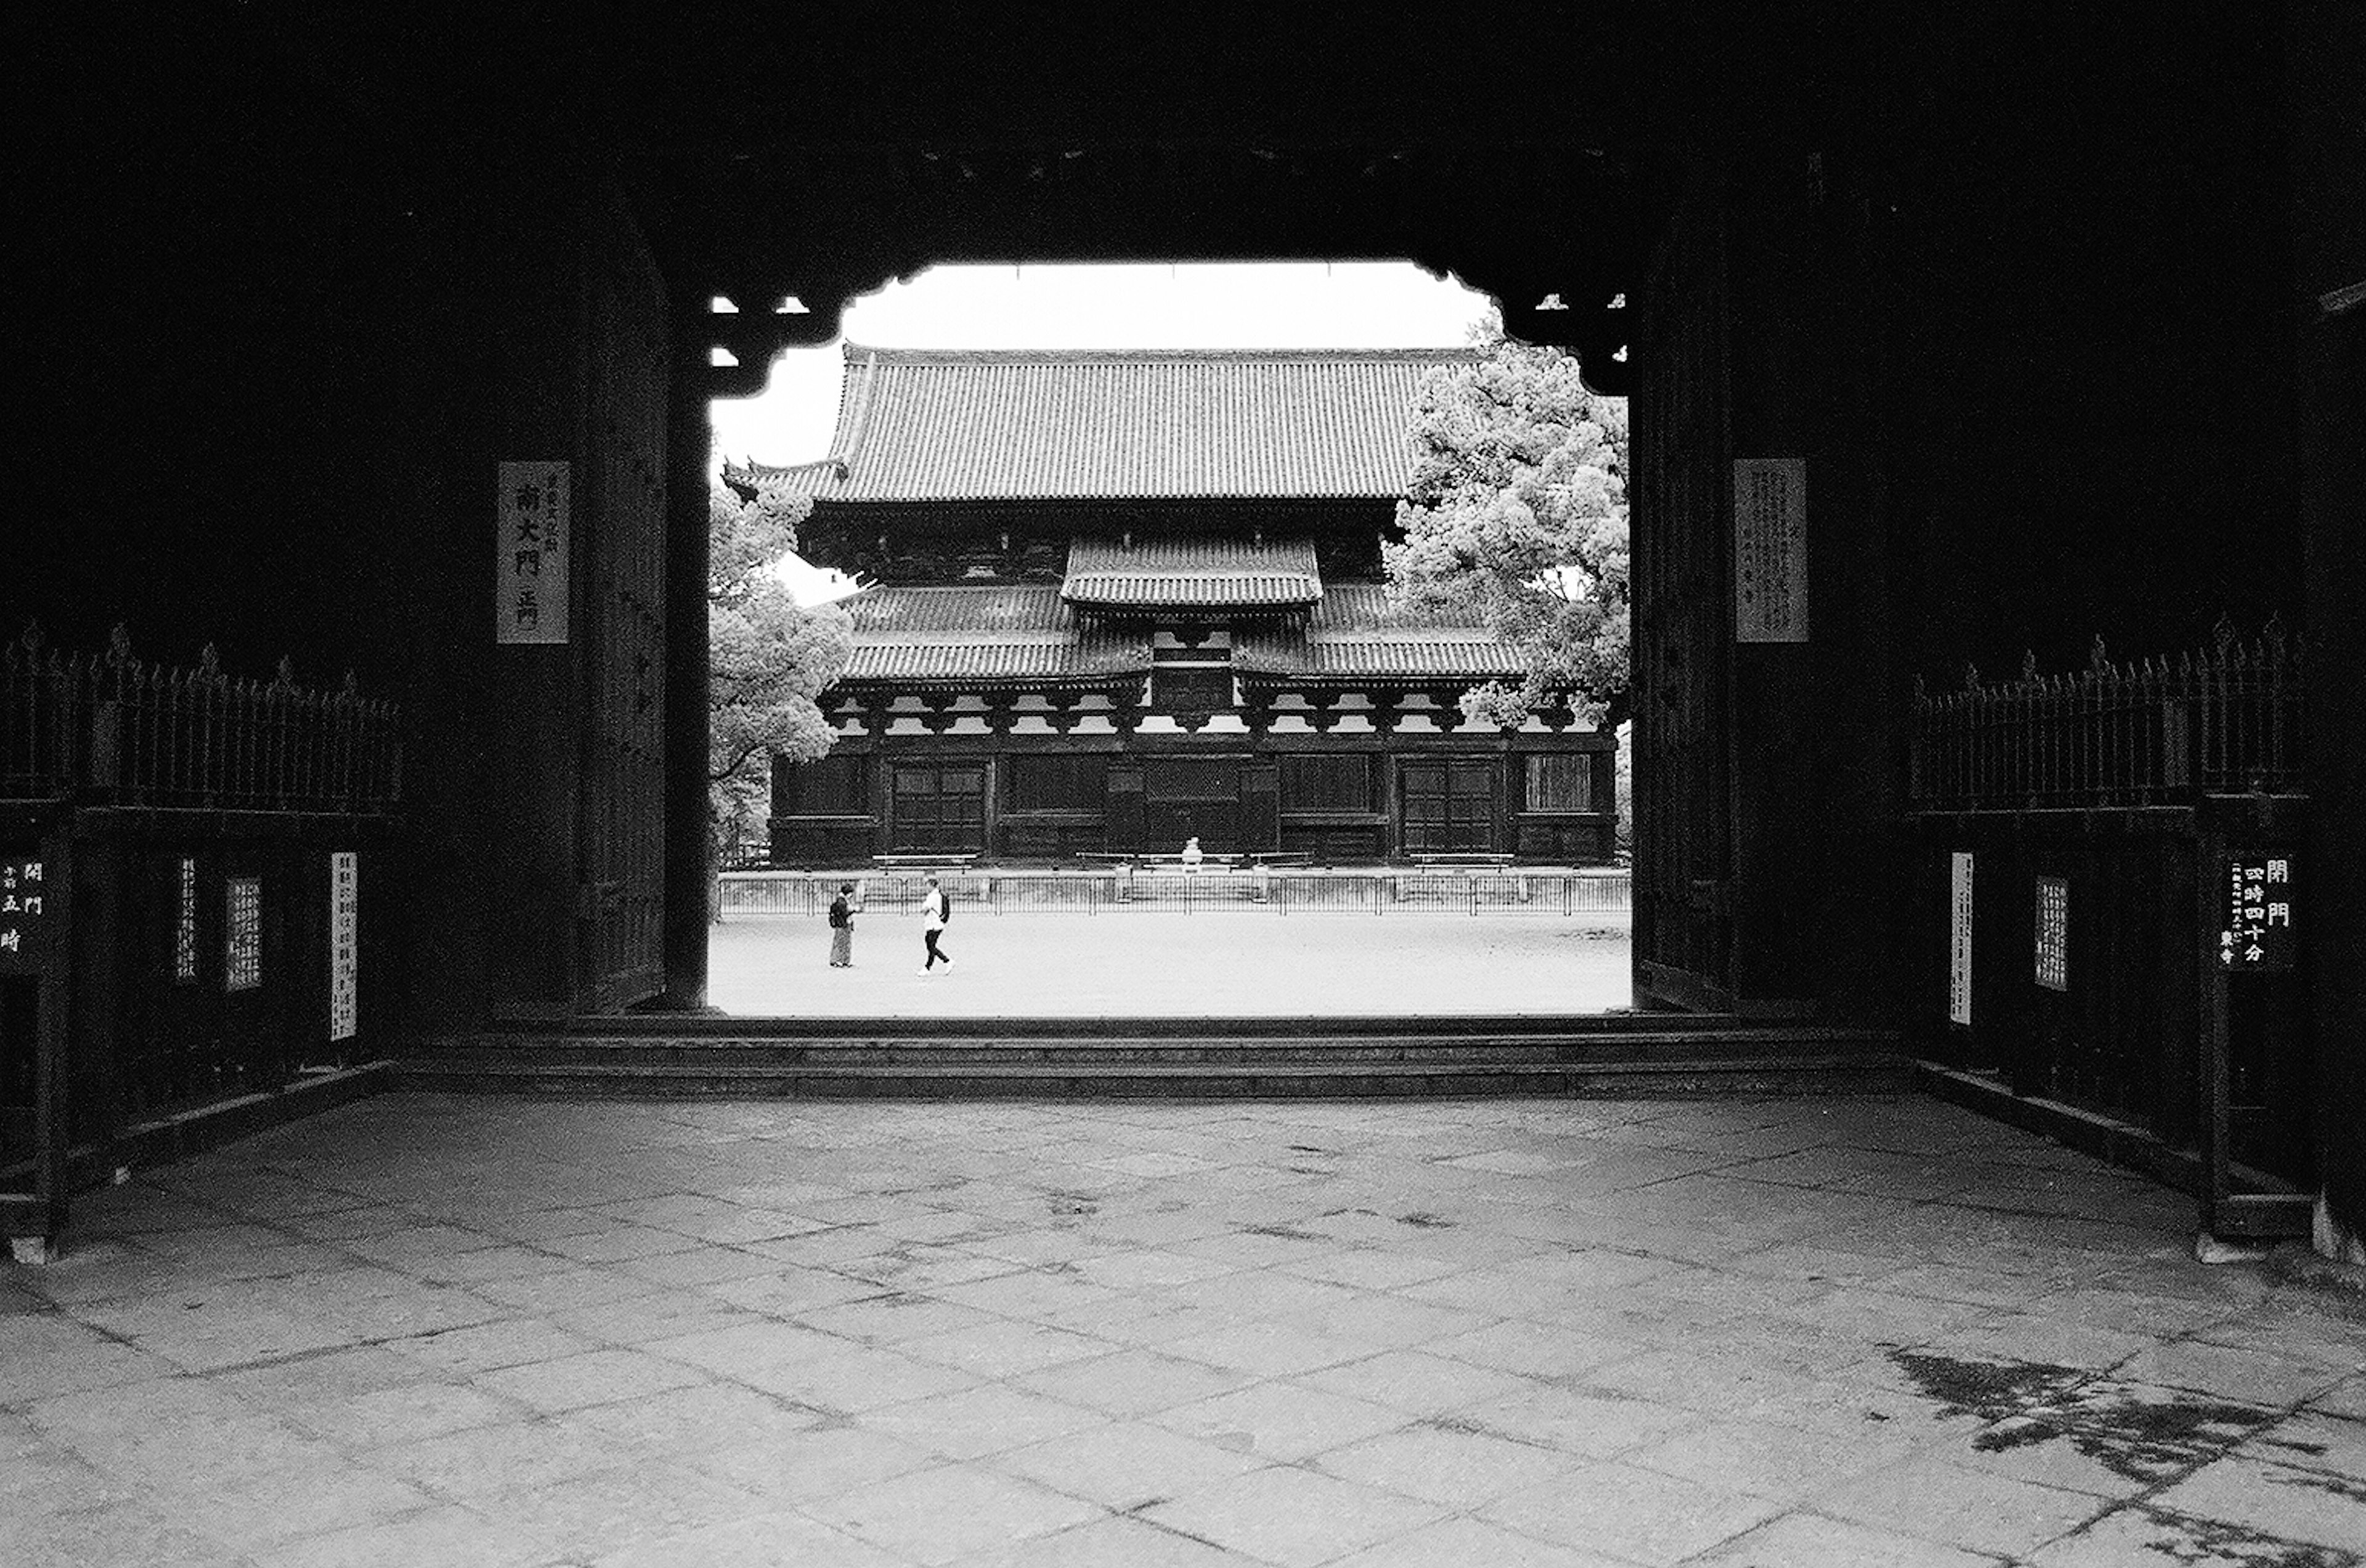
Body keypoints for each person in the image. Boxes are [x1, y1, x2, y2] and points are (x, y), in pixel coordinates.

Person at [919, 874, 954, 973]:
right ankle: (931, 966)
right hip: (936, 924)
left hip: (934, 924)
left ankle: (944, 962)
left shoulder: (933, 896)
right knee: (931, 945)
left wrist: (923, 909)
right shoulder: (937, 895)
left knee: (931, 946)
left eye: (927, 885)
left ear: (931, 885)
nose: (926, 887)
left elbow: (926, 909)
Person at [826, 881, 858, 967]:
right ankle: (839, 960)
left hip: (844, 924)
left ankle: (842, 960)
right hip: (843, 924)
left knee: (844, 942)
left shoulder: (843, 900)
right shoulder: (842, 902)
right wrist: (852, 911)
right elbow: (844, 913)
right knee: (841, 942)